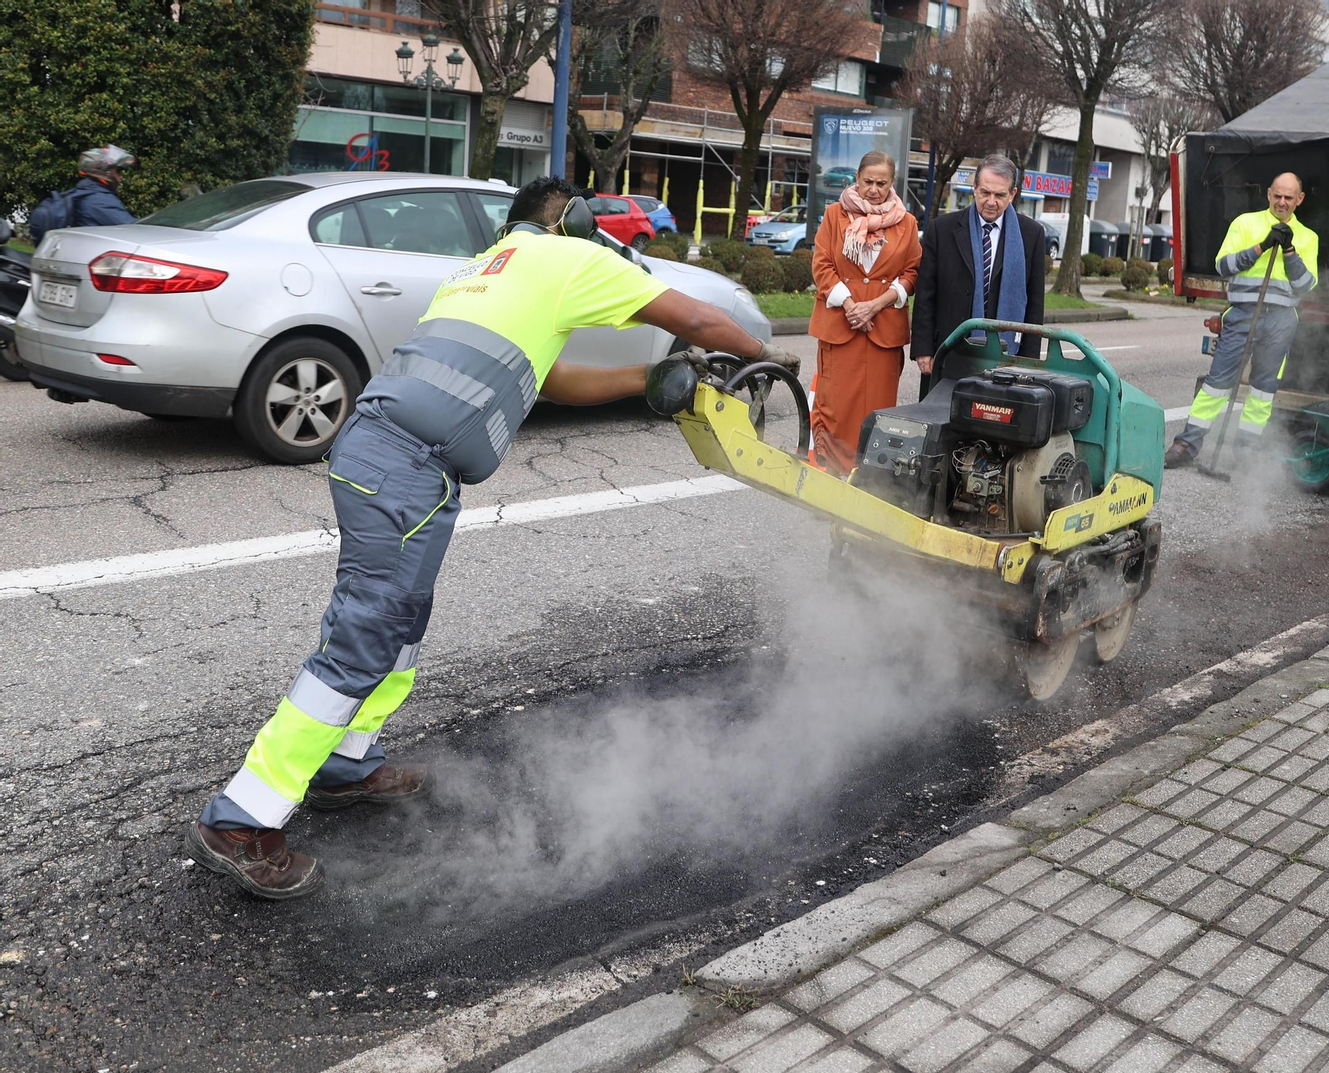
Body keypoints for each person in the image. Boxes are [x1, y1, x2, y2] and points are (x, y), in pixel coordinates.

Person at [186, 177, 802, 900]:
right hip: (403, 466)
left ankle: (345, 761)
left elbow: (551, 378)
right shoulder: (571, 257)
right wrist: (771, 360)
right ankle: (243, 815)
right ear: (569, 217)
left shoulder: (477, 272)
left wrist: (645, 377)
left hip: (398, 460)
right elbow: (696, 315)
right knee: (364, 634)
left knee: (402, 622)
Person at [1165, 173, 1319, 467]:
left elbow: (1305, 285)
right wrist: (1262, 246)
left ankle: (1246, 449)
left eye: (1289, 197)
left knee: (1263, 389)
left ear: (1300, 199)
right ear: (1269, 194)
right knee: (1217, 383)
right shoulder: (1245, 223)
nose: (1282, 202)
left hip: (1281, 321)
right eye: (1277, 196)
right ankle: (1186, 444)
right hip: (1243, 314)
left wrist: (1288, 250)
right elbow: (1224, 266)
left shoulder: (1308, 237)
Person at [807, 150, 921, 472]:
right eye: (868, 181)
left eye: (881, 183)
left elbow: (911, 273)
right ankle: (833, 475)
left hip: (882, 332)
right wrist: (850, 305)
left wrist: (876, 304)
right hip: (840, 328)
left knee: (878, 410)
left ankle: (872, 477)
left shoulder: (907, 223)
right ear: (856, 179)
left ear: (892, 183)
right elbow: (822, 265)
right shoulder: (834, 215)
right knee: (835, 408)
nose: (874, 189)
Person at [910, 154, 1049, 384]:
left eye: (1000, 195)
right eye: (985, 192)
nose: (991, 201)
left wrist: (1029, 362)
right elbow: (926, 294)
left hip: (1006, 360)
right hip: (947, 352)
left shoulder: (1031, 235)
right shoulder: (941, 229)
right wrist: (923, 348)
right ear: (974, 188)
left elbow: (1035, 305)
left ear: (1012, 194)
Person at [29, 147, 138, 244]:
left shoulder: (84, 191)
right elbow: (133, 231)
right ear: (106, 172)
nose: (120, 177)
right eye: (117, 171)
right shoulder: (98, 200)